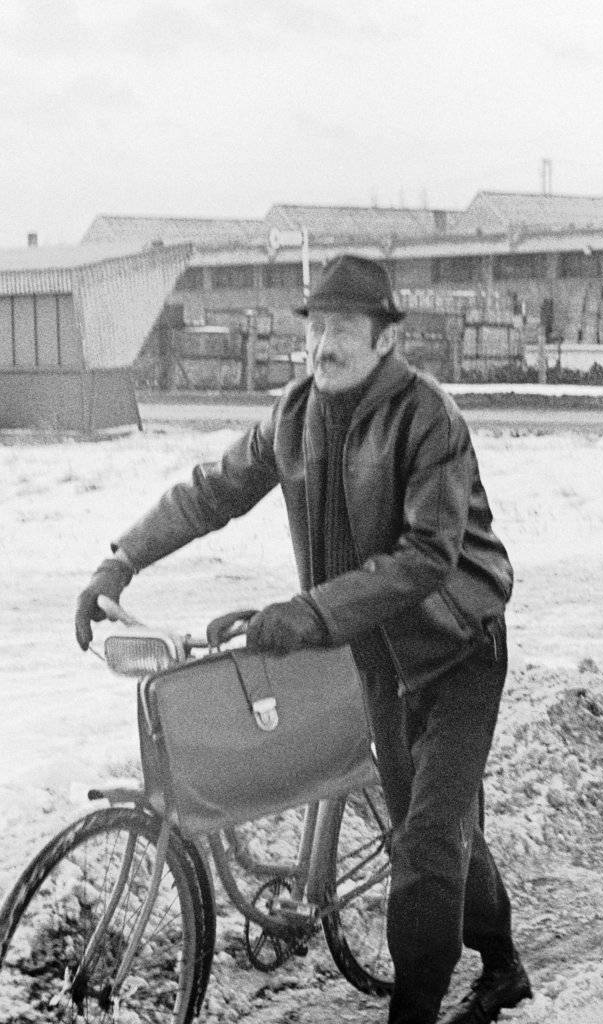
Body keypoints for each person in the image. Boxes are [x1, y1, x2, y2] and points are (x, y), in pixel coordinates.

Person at [75, 254, 532, 1024]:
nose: (323, 345)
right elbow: (212, 491)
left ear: (384, 338)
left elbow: (427, 556)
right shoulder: (295, 414)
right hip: (377, 658)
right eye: (315, 327)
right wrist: (119, 562)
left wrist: (309, 613)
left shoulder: (429, 419)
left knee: (424, 846)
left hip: (457, 652)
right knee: (433, 829)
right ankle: (503, 966)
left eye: (342, 328)